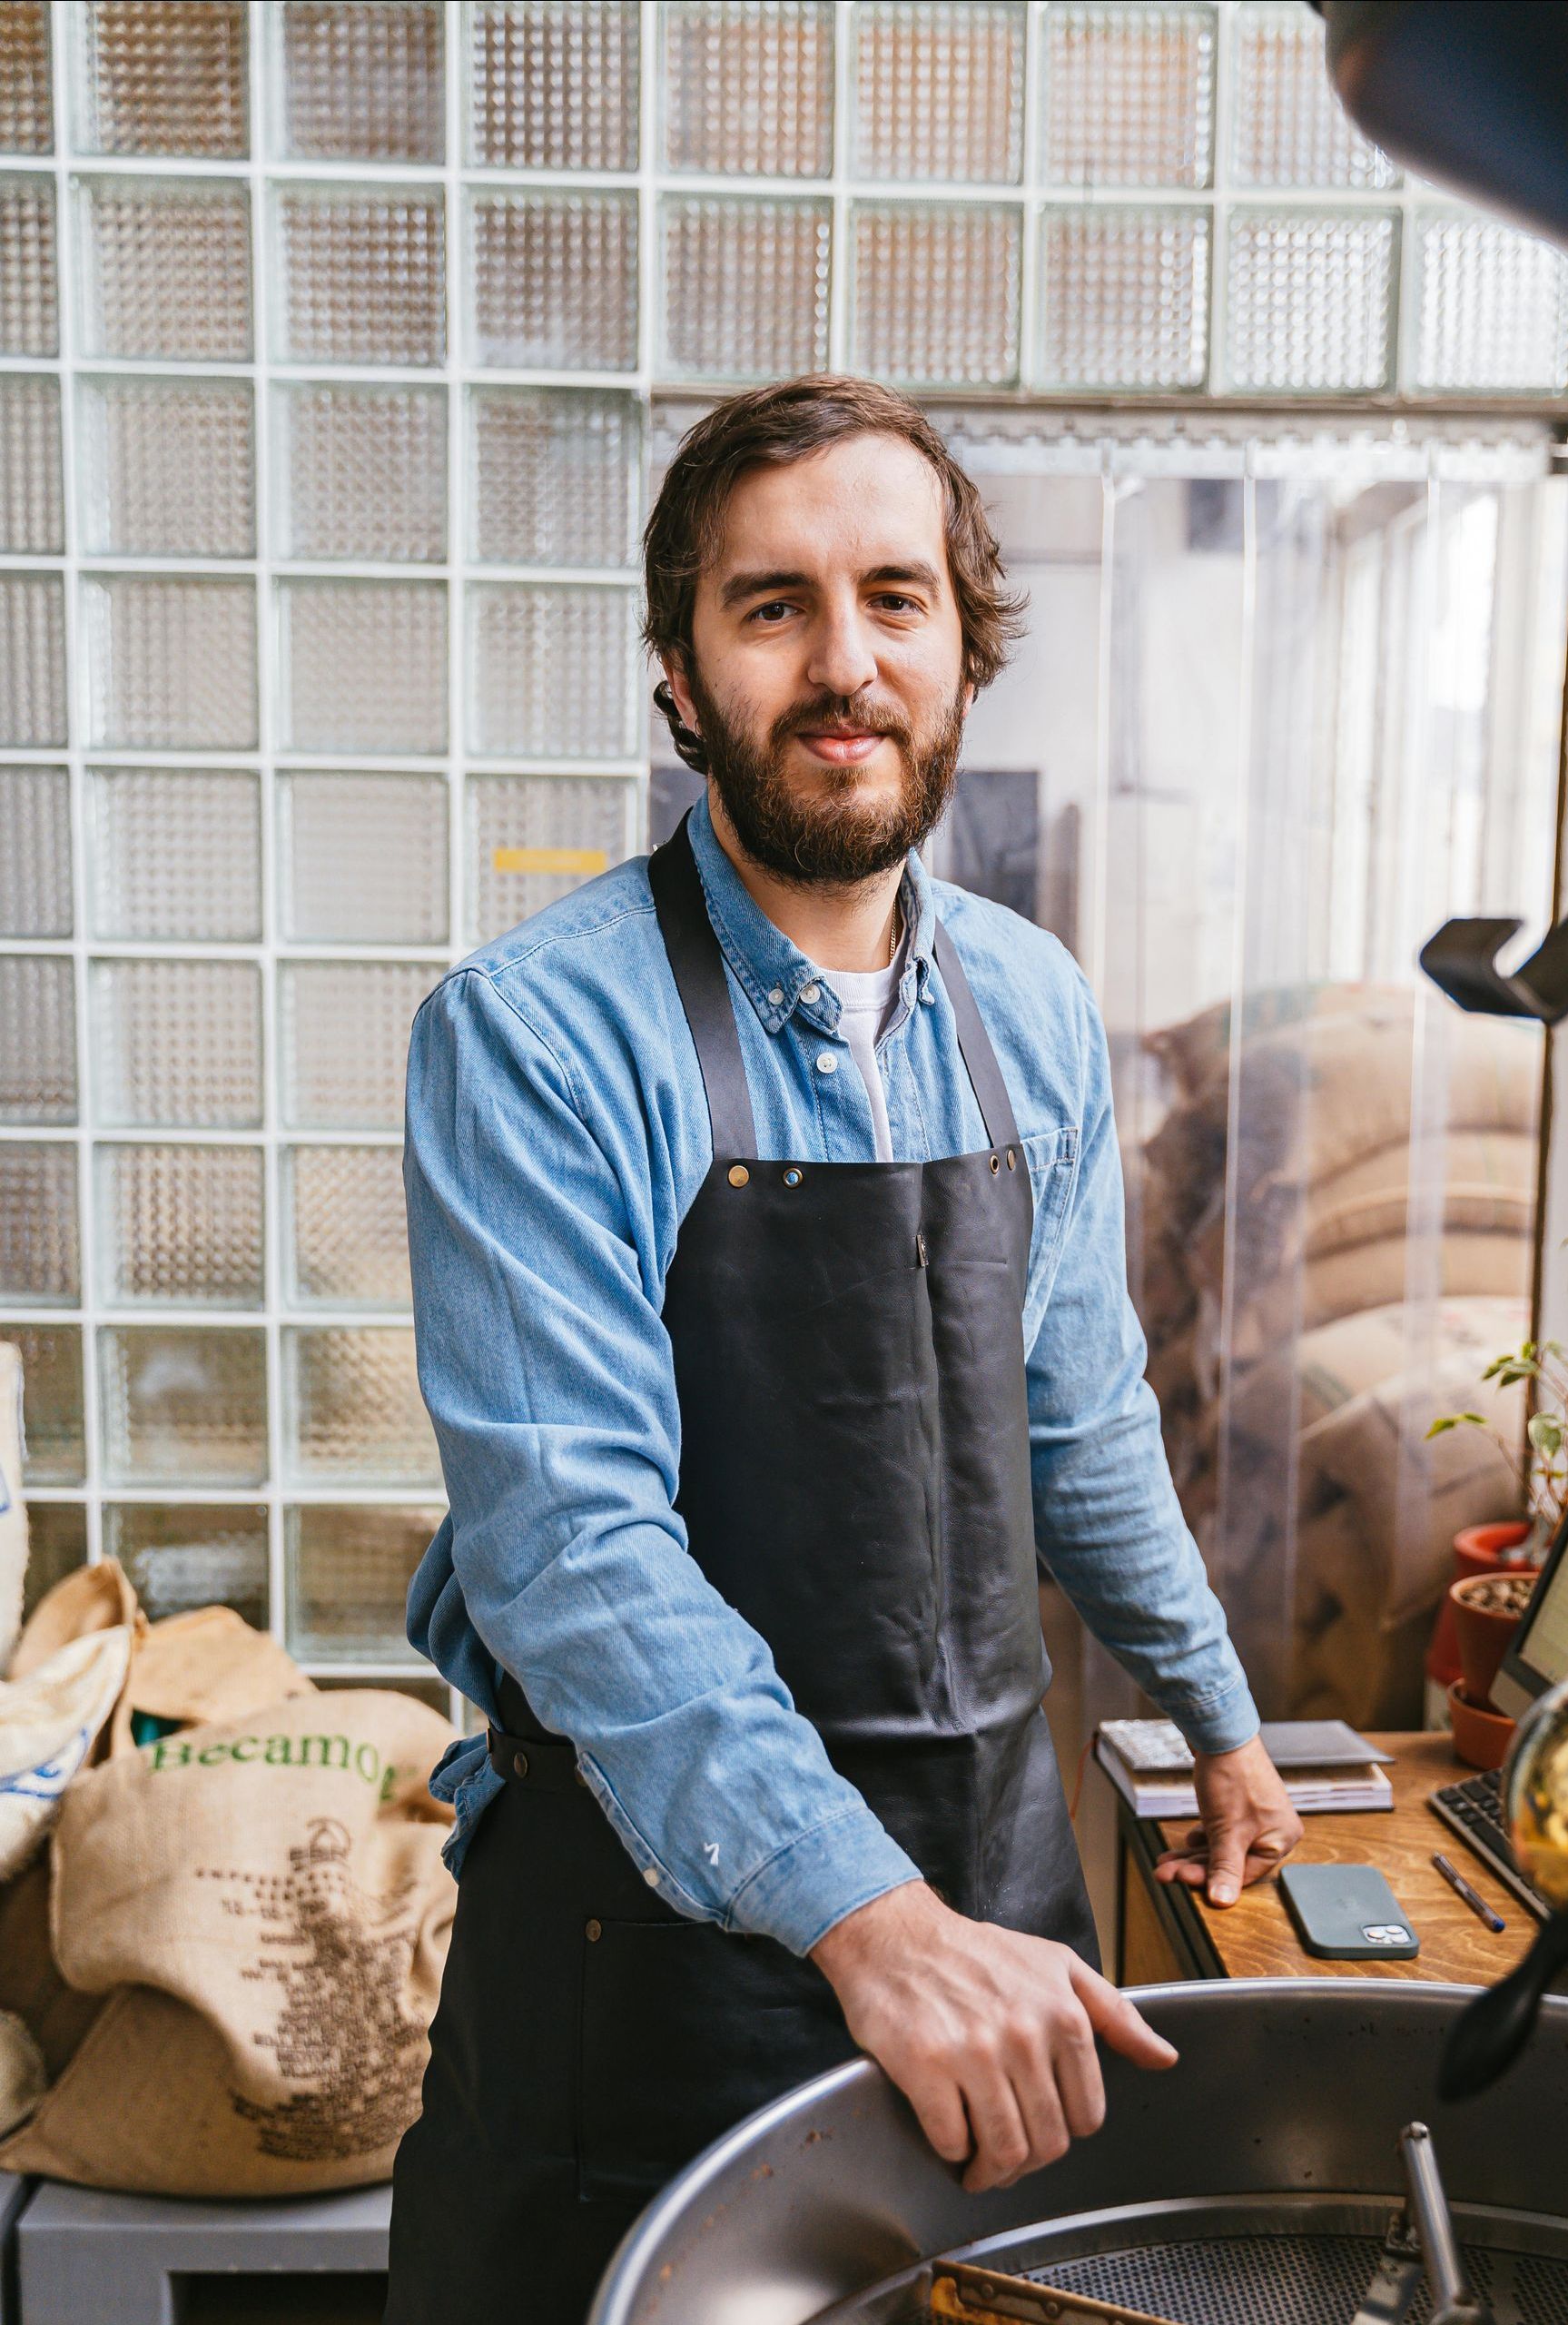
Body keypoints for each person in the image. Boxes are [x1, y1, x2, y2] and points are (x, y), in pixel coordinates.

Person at [385, 374, 1300, 2322]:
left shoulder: (1030, 1004)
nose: (843, 662)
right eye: (772, 602)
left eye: (895, 597)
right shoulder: (538, 1036)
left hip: (994, 1913)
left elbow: (1082, 1412)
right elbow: (568, 1549)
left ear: (969, 645)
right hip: (644, 1967)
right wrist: (865, 1914)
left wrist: (1217, 1706)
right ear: (681, 662)